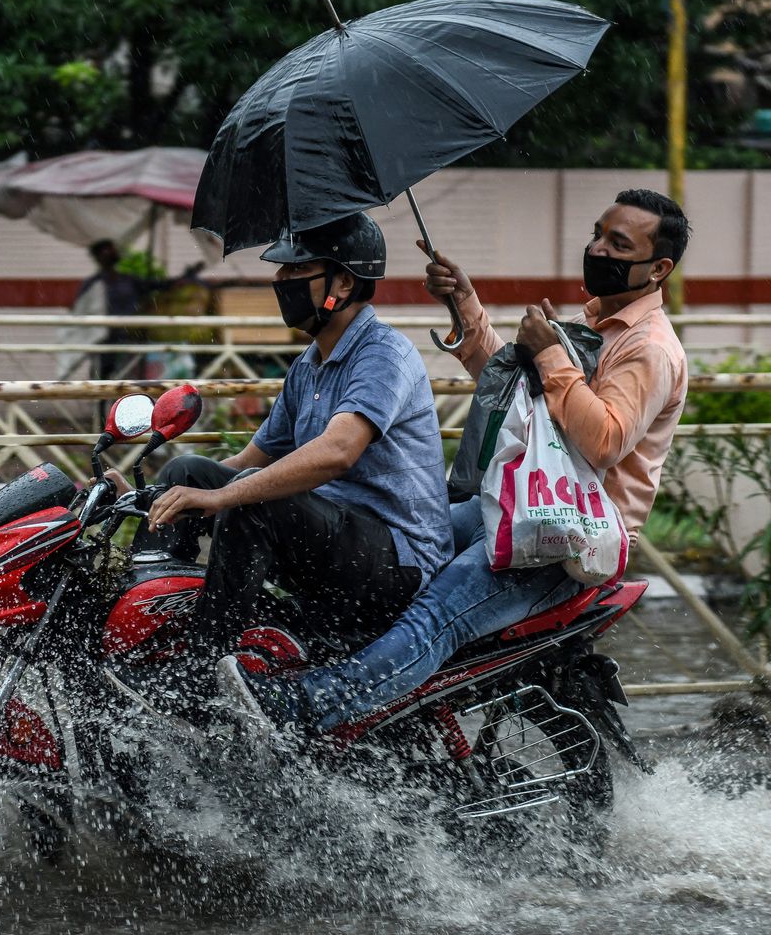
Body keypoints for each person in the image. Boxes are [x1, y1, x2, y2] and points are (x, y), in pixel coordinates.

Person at [219, 189, 691, 731]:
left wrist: (550, 354)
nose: (598, 249)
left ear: (657, 269)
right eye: (597, 234)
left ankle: (308, 705)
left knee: (438, 611)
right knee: (410, 543)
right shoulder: (592, 323)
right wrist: (464, 304)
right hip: (527, 501)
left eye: (617, 244)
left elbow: (605, 439)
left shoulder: (648, 348)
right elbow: (517, 397)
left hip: (576, 533)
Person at [105, 212, 453, 715]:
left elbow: (338, 450)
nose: (279, 281)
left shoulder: (384, 355)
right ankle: (155, 619)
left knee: (251, 500)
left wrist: (226, 496)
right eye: (281, 272)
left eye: (295, 272)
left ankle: (204, 666)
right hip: (330, 539)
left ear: (343, 282)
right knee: (189, 471)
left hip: (394, 560)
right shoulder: (307, 366)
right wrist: (152, 498)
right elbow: (247, 461)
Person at [75, 239, 202, 381]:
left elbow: (157, 286)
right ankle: (102, 402)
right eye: (106, 251)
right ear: (98, 257)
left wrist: (183, 279)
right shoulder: (93, 284)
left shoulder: (128, 280)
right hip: (105, 337)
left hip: (130, 335)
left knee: (130, 375)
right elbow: (81, 308)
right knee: (103, 375)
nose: (111, 253)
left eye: (112, 250)